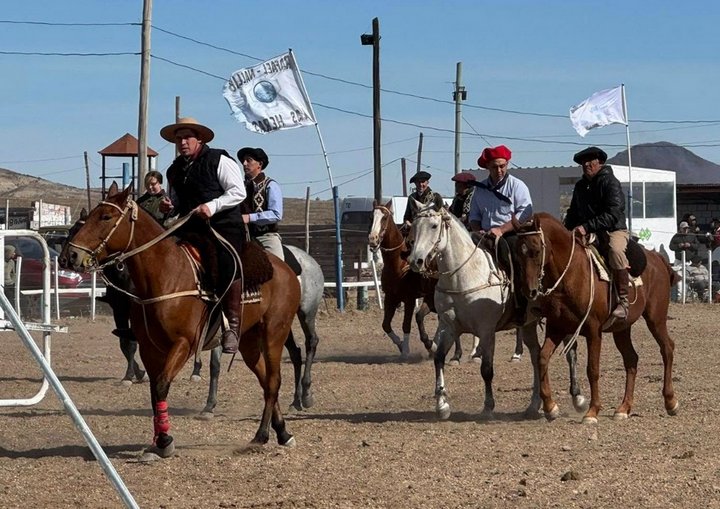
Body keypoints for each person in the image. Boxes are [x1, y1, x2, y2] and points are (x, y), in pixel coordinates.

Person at [158, 117, 247, 355]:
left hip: (223, 225)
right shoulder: (174, 170)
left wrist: (213, 206)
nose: (183, 142)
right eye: (179, 138)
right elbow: (177, 200)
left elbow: (238, 192)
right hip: (189, 226)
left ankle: (232, 326)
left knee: (227, 262)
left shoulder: (219, 160)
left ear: (200, 139)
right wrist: (170, 205)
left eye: (187, 137)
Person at [468, 145, 533, 361]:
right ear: (487, 167)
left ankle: (521, 304)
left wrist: (501, 230)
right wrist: (478, 231)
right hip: (485, 235)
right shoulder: (480, 190)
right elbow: (474, 215)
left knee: (516, 260)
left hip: (510, 234)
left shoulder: (517, 186)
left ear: (507, 164)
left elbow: (525, 213)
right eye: (495, 167)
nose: (499, 170)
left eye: (503, 166)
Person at [564, 146, 630, 321]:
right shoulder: (580, 186)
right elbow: (573, 212)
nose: (586, 165)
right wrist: (565, 231)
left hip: (613, 230)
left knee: (615, 251)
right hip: (587, 231)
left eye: (590, 161)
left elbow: (614, 212)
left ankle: (623, 301)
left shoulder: (610, 182)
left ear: (599, 162)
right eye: (583, 162)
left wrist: (586, 226)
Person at [237, 147, 284, 261]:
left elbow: (276, 214)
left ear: (260, 164)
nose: (244, 164)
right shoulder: (239, 187)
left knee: (278, 269)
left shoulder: (271, 185)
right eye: (243, 161)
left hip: (266, 237)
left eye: (249, 160)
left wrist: (249, 217)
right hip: (242, 237)